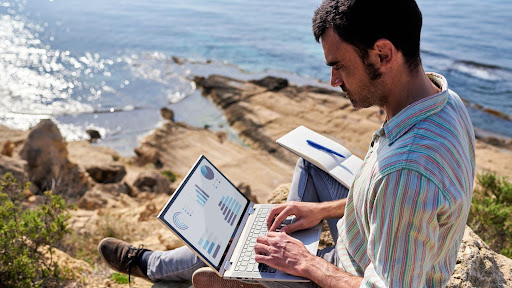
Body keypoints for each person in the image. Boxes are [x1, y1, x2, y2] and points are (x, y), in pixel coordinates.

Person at [99, 0, 475, 287]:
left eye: (339, 66)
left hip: (353, 269)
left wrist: (306, 263)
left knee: (245, 250)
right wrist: (321, 210)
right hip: (368, 236)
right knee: (302, 176)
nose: (333, 80)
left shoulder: (406, 172)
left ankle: (158, 266)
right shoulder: (442, 100)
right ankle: (254, 258)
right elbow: (387, 198)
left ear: (383, 54)